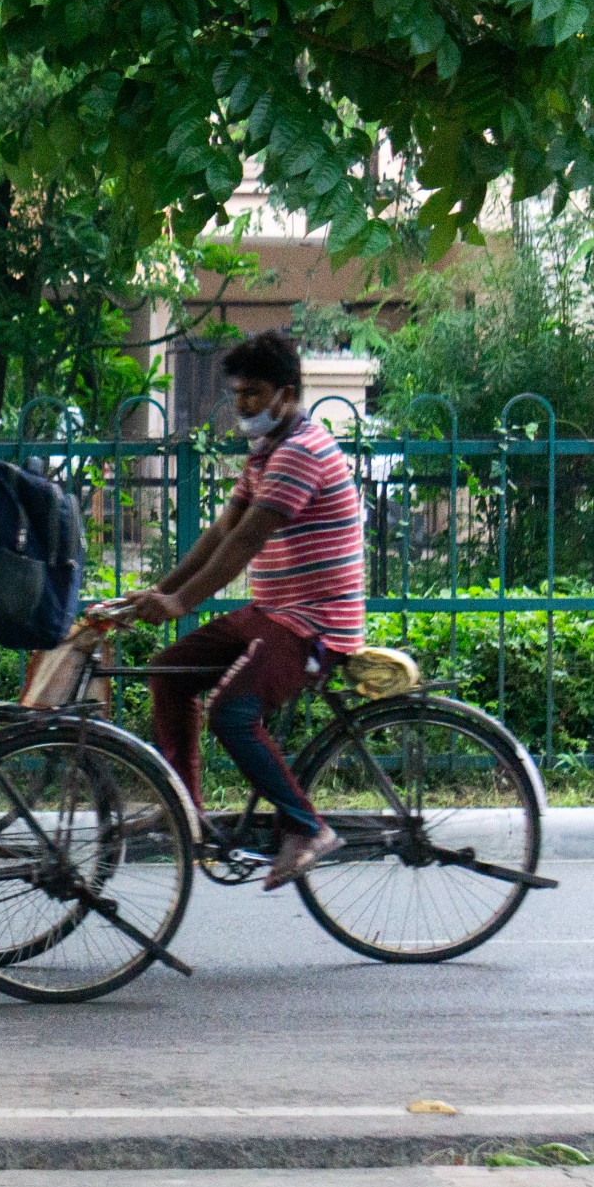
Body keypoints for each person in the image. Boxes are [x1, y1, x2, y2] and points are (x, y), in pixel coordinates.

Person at [118, 329, 366, 889]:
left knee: (231, 711)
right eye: (239, 394)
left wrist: (180, 601)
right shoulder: (267, 452)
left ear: (287, 393)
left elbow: (245, 543)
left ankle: (306, 828)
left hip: (315, 624)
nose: (244, 405)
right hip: (274, 611)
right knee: (168, 673)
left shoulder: (303, 452)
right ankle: (185, 808)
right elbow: (221, 531)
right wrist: (157, 591)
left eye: (255, 394)